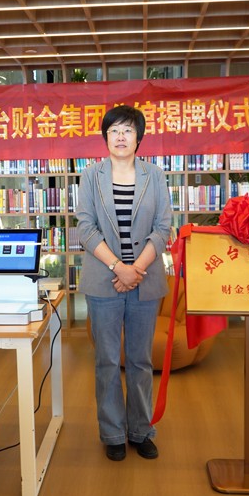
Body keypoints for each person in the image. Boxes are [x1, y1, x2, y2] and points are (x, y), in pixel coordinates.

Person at [76, 104, 172, 461]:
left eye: (128, 130)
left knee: (140, 360)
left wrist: (135, 270)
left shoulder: (155, 176)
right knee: (105, 361)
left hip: (144, 280)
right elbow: (86, 228)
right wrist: (119, 267)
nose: (120, 136)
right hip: (104, 280)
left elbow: (163, 227)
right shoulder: (90, 176)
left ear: (138, 138)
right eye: (114, 130)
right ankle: (113, 433)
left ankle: (140, 430)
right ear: (105, 137)